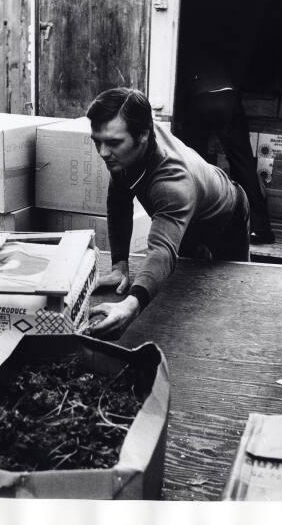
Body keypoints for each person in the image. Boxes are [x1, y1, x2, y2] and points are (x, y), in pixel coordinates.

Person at [85, 88, 251, 339]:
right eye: (97, 141)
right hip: (189, 217)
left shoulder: (172, 183)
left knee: (232, 303)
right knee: (183, 290)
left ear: (143, 134)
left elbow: (161, 251)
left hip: (227, 217)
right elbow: (119, 201)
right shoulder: (126, 149)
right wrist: (120, 264)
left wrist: (131, 305)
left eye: (113, 143)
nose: (103, 152)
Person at [184, 72, 275, 244]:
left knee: (195, 164)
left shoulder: (190, 65)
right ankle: (259, 228)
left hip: (200, 98)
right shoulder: (222, 64)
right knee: (243, 163)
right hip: (228, 97)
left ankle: (195, 228)